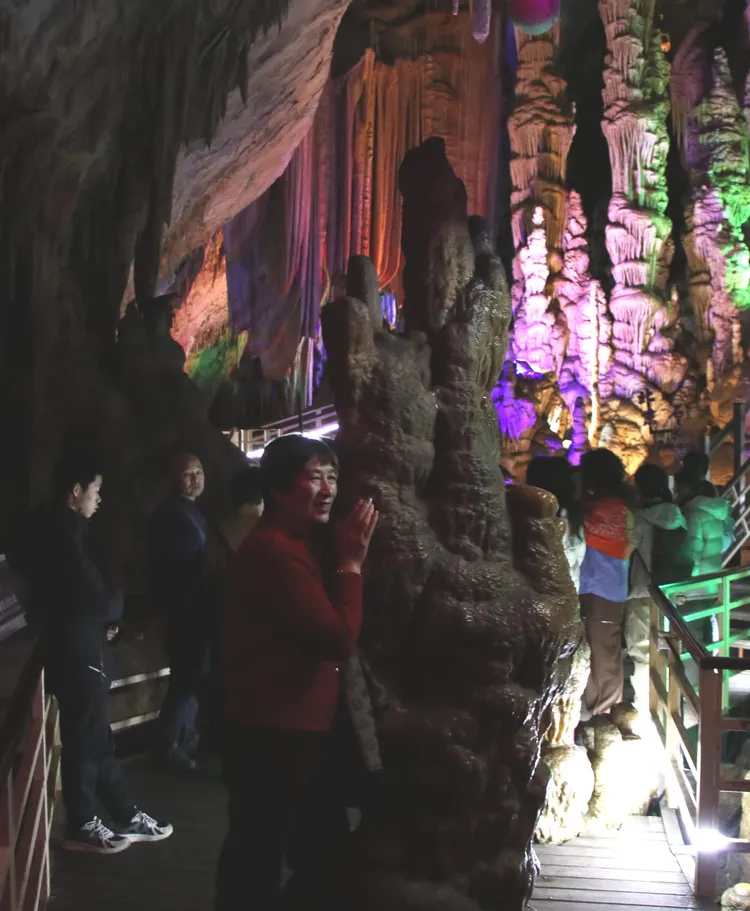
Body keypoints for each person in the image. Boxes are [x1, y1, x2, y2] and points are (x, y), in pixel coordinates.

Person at [216, 434, 378, 911]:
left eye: (332, 476)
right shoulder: (275, 552)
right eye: (314, 477)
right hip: (272, 726)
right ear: (280, 489)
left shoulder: (297, 544)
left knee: (302, 842)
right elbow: (336, 638)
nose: (327, 488)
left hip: (292, 724)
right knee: (260, 847)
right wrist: (351, 565)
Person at [11, 449, 172, 853]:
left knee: (95, 734)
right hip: (78, 645)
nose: (99, 499)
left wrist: (103, 609)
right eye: (96, 490)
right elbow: (95, 598)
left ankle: (122, 810)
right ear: (76, 491)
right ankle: (83, 821)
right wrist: (113, 607)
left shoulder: (46, 528)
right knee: (86, 734)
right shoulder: (63, 534)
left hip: (74, 640)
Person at [146, 452, 212, 772]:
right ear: (173, 480)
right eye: (188, 473)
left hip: (191, 611)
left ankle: (184, 741)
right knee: (187, 678)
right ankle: (171, 745)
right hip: (184, 612)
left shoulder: (190, 512)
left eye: (199, 471)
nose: (196, 478)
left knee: (188, 678)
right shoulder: (173, 515)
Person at [626, 463, 692, 719]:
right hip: (672, 596)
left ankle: (648, 712)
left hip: (643, 593)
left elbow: (627, 551)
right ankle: (672, 707)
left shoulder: (639, 518)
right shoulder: (677, 515)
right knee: (670, 653)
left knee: (643, 654)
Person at [579, 449, 635, 717]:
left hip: (600, 586)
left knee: (602, 653)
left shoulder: (608, 509)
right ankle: (598, 710)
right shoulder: (619, 504)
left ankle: (605, 713)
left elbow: (584, 529)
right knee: (600, 650)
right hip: (606, 587)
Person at [675, 467, 734, 642]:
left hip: (694, 589)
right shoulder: (716, 514)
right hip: (711, 584)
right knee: (706, 634)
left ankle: (699, 669)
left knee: (691, 641)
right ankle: (712, 668)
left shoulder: (694, 515)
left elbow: (694, 555)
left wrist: (681, 589)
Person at [526, 456, 585, 592]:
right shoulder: (574, 513)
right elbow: (578, 554)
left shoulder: (541, 517)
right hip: (568, 589)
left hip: (545, 591)